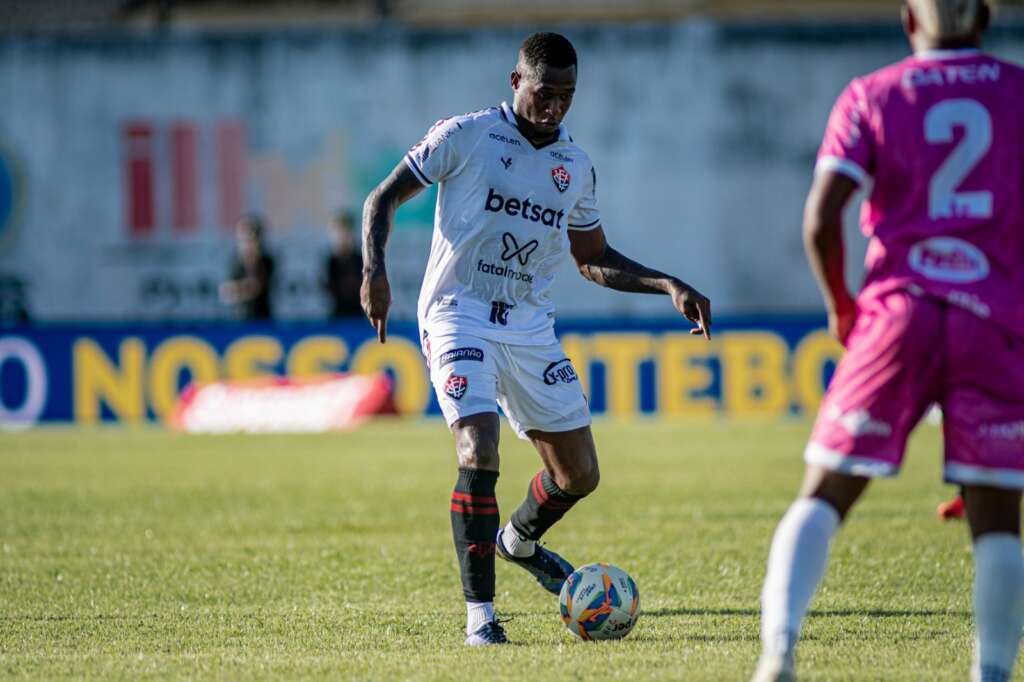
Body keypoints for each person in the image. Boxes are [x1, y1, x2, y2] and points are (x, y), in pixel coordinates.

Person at [360, 32, 711, 646]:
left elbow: (593, 257)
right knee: (478, 449)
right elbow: (383, 197)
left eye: (567, 97)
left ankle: (517, 540)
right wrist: (374, 269)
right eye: (545, 93)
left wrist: (667, 285)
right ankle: (481, 620)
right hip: (456, 312)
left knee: (579, 475)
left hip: (527, 323)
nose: (554, 107)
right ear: (515, 81)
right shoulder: (464, 136)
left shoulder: (574, 167)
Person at [753, 2, 1024, 680]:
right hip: (992, 319)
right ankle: (991, 673)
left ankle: (777, 656)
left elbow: (822, 219)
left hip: (897, 313)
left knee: (824, 493)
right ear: (986, 17)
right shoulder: (1018, 91)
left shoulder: (871, 94)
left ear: (910, 20)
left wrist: (843, 309)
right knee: (997, 519)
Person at [220, 214, 275, 320]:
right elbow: (224, 293)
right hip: (237, 319)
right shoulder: (235, 262)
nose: (245, 243)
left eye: (249, 238)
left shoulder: (267, 261)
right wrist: (240, 290)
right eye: (242, 239)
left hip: (262, 320)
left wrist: (236, 290)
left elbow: (256, 287)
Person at [322, 211, 364, 318]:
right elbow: (330, 287)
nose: (343, 236)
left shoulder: (361, 259)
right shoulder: (332, 262)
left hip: (357, 315)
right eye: (340, 232)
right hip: (338, 315)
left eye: (346, 231)